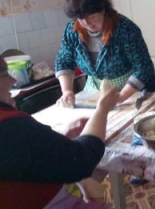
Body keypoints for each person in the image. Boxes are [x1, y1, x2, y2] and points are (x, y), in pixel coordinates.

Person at [0, 55, 119, 208]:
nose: (13, 80)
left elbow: (24, 155)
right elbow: (82, 160)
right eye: (4, 73)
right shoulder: (8, 128)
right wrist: (102, 110)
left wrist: (58, 136)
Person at [55, 0, 155, 107]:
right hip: (94, 89)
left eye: (90, 16)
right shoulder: (72, 31)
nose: (86, 23)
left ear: (103, 10)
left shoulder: (125, 29)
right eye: (80, 18)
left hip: (128, 89)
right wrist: (67, 91)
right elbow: (63, 61)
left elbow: (143, 68)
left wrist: (121, 96)